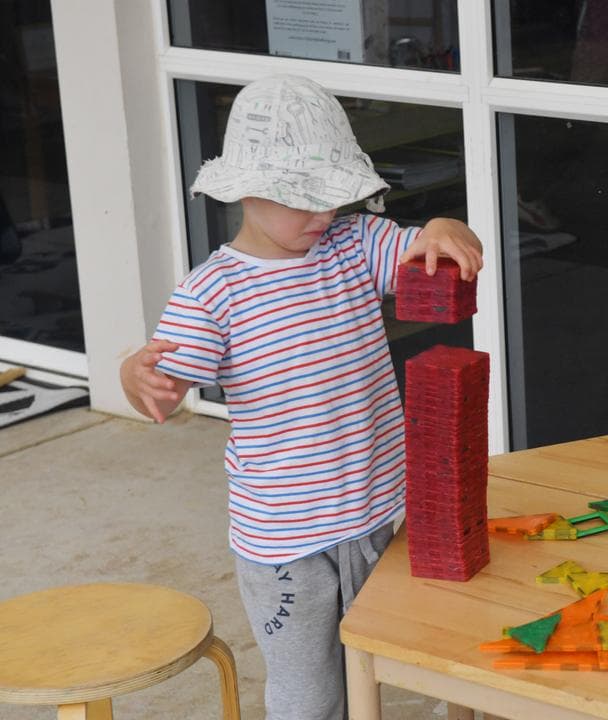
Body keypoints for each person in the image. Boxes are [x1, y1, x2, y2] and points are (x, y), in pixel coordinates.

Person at [117, 74, 483, 720]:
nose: (323, 215)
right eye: (304, 200)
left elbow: (424, 246)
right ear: (248, 191)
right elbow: (163, 385)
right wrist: (139, 377)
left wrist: (446, 227)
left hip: (373, 516)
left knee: (370, 667)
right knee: (309, 697)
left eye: (333, 199)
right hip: (286, 546)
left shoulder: (354, 246)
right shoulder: (214, 293)